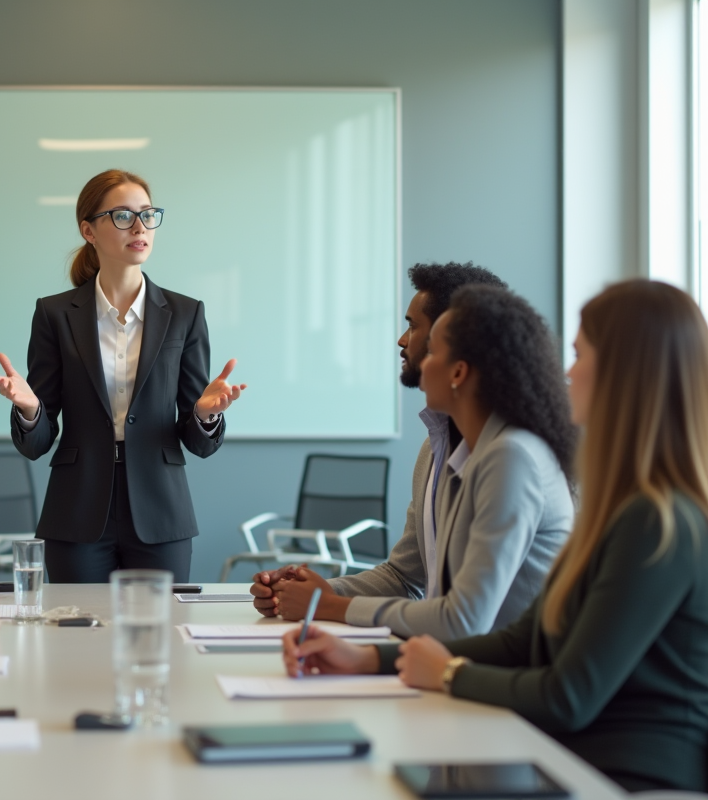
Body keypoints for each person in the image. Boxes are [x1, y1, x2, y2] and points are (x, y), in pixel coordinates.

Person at [283, 280, 708, 794]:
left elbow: (567, 695)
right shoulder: (621, 508)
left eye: (578, 355)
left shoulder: (659, 522)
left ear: (625, 373)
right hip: (572, 762)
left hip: (627, 781)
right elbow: (523, 641)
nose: (567, 373)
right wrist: (371, 658)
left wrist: (447, 675)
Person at [258, 283, 575, 638]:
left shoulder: (511, 456)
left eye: (433, 351)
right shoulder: (449, 452)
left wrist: (329, 606)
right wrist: (320, 592)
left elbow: (462, 622)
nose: (421, 363)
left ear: (458, 371)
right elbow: (408, 579)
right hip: (454, 662)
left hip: (501, 675)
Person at [0, 169, 245, 582]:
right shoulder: (55, 314)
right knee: (75, 639)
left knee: (159, 642)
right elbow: (37, 444)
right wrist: (31, 409)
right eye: (123, 216)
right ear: (88, 230)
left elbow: (200, 444)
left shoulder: (185, 314)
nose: (140, 226)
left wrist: (204, 414)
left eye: (148, 214)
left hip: (161, 511)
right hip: (76, 511)